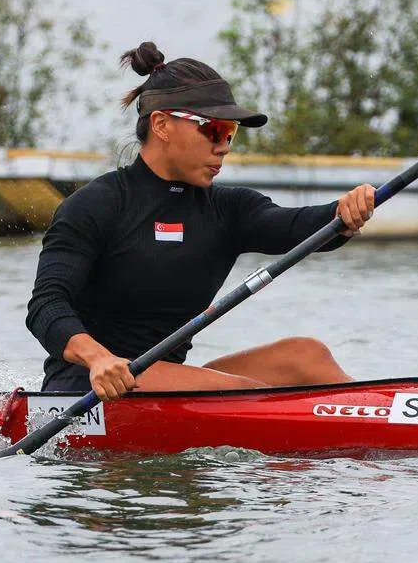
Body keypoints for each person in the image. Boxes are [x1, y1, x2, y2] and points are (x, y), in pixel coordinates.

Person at [26, 41, 375, 401]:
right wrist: (98, 358)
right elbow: (46, 305)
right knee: (245, 395)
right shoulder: (96, 205)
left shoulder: (228, 209)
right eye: (213, 129)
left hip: (169, 383)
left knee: (306, 355)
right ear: (162, 125)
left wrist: (343, 213)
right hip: (92, 388)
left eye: (230, 132)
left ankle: (382, 414)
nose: (224, 146)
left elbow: (296, 226)